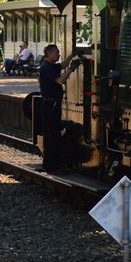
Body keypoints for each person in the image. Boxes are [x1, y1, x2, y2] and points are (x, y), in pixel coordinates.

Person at [38, 44, 80, 173]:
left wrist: (72, 55)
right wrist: (72, 69)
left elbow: (61, 65)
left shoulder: (51, 65)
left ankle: (53, 164)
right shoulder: (46, 67)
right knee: (52, 135)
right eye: (56, 53)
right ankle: (50, 166)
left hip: (53, 104)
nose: (58, 55)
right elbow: (60, 80)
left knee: (55, 133)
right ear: (49, 54)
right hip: (50, 105)